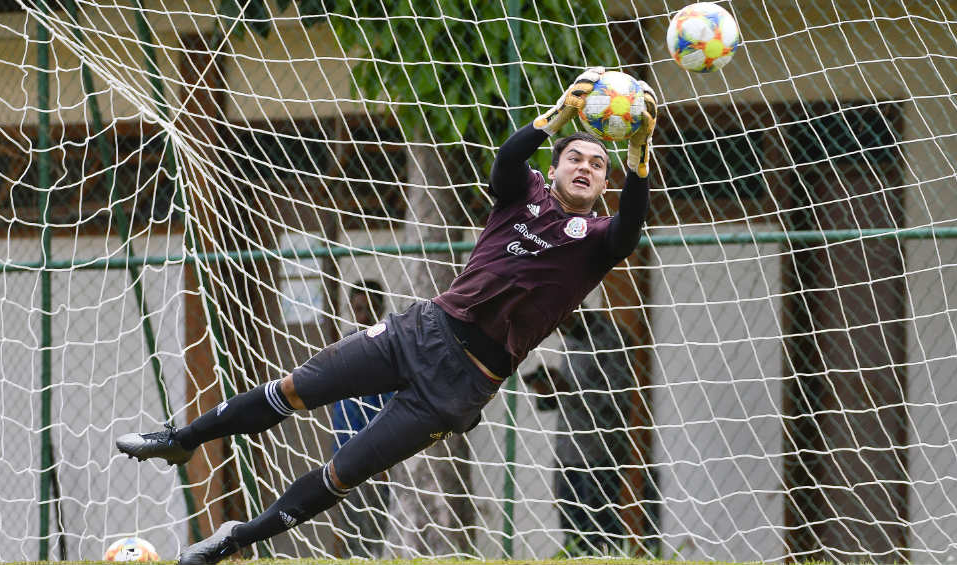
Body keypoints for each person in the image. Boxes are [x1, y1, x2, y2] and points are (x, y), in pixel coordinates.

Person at [115, 66, 658, 565]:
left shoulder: (597, 240)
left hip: (458, 386)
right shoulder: (524, 195)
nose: (585, 168)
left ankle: (234, 539)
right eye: (575, 158)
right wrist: (560, 113)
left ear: (606, 183)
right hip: (420, 331)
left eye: (597, 165)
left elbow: (632, 226)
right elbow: (509, 159)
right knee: (293, 391)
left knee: (343, 472)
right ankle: (182, 439)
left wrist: (639, 149)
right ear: (556, 167)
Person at [525, 310, 655, 556]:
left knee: (601, 530)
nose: (556, 332)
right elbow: (562, 400)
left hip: (599, 452)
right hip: (566, 452)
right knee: (572, 529)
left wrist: (568, 391)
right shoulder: (570, 340)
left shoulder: (613, 340)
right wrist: (548, 390)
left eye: (558, 324)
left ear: (573, 310)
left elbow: (616, 402)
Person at [330, 280, 393, 558]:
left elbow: (391, 403)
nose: (363, 313)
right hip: (343, 451)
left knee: (374, 528)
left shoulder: (389, 346)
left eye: (369, 307)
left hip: (376, 453)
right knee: (350, 525)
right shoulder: (344, 345)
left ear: (380, 307)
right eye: (357, 307)